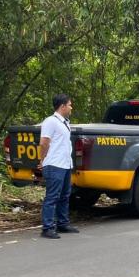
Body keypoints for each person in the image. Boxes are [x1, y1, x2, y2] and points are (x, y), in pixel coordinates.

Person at [38, 94, 79, 239]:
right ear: (62, 106)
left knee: (65, 195)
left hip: (65, 164)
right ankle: (47, 228)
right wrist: (42, 159)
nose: (71, 107)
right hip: (54, 164)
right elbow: (44, 142)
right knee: (52, 196)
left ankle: (63, 224)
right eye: (69, 105)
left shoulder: (64, 122)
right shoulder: (51, 121)